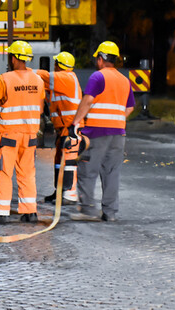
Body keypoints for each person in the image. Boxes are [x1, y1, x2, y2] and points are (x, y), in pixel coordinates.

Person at [0, 40, 45, 223]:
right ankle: (30, 212)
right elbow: (41, 108)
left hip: (9, 136)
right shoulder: (38, 81)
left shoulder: (5, 79)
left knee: (5, 172)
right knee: (27, 173)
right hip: (30, 136)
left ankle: (0, 213)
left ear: (13, 58)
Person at [70, 41, 134, 222]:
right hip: (118, 134)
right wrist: (117, 120)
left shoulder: (98, 77)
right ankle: (110, 212)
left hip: (96, 133)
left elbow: (88, 101)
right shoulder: (124, 80)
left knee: (87, 170)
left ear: (100, 59)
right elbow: (129, 108)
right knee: (112, 173)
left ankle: (88, 211)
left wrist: (75, 122)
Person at [35, 51, 82, 204]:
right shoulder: (62, 82)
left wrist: (24, 71)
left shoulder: (66, 78)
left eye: (55, 64)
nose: (53, 66)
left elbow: (42, 75)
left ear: (59, 65)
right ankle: (60, 191)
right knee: (59, 160)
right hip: (63, 128)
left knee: (68, 160)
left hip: (71, 128)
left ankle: (70, 194)